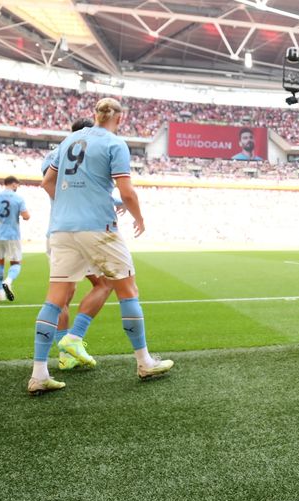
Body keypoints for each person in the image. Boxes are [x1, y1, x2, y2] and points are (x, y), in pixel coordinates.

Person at [28, 97, 173, 395]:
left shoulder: (69, 140)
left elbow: (47, 182)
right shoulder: (114, 143)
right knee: (127, 290)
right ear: (119, 119)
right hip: (98, 227)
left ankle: (39, 374)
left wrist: (69, 204)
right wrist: (139, 218)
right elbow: (127, 191)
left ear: (94, 115)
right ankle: (144, 361)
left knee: (54, 300)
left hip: (61, 229)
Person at [42, 118, 117, 370]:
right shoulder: (95, 150)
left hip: (57, 229)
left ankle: (65, 355)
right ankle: (74, 339)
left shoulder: (56, 152)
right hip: (84, 230)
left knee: (62, 295)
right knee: (105, 283)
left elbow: (51, 184)